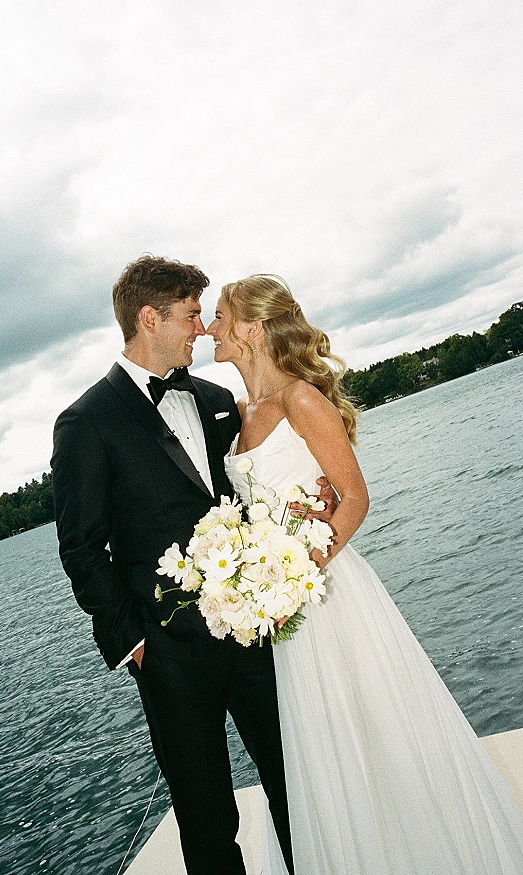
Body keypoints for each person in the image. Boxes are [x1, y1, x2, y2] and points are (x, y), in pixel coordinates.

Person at [206, 273, 523, 875]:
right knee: (320, 748)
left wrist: (299, 571)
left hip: (326, 597)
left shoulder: (302, 399)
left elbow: (353, 497)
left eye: (220, 316)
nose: (212, 328)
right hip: (283, 611)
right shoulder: (242, 410)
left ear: (250, 328)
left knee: (376, 730)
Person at [51, 256, 297, 875]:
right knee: (207, 813)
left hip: (253, 635)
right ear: (149, 318)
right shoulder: (86, 422)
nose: (202, 330)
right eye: (191, 316)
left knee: (295, 783)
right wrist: (132, 643)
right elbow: (82, 549)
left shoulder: (216, 400)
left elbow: (247, 499)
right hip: (168, 657)